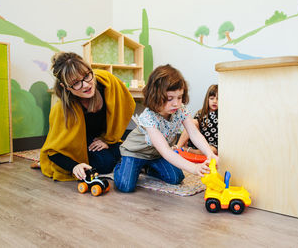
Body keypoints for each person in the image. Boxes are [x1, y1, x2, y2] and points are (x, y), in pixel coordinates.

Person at [113, 64, 219, 192]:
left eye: (179, 97)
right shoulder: (149, 117)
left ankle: (147, 168)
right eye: (170, 98)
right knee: (126, 185)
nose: (176, 103)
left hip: (155, 155)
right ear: (156, 97)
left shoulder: (179, 110)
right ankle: (121, 165)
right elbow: (166, 151)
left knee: (176, 178)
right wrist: (194, 168)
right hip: (136, 153)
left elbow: (194, 134)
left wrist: (209, 153)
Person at [39, 52, 135, 181]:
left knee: (130, 150)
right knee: (105, 163)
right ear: (65, 87)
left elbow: (126, 104)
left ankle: (111, 150)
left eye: (86, 75)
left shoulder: (107, 82)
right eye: (75, 83)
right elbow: (53, 151)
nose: (86, 85)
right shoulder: (62, 109)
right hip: (80, 142)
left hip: (101, 137)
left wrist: (107, 139)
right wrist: (74, 166)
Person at [175, 84, 218, 155]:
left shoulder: (222, 116)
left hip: (211, 146)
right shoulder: (201, 113)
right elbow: (190, 129)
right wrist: (185, 142)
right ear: (207, 99)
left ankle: (188, 150)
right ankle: (178, 147)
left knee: (212, 150)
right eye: (212, 98)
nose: (214, 101)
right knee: (193, 122)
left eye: (217, 99)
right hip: (197, 142)